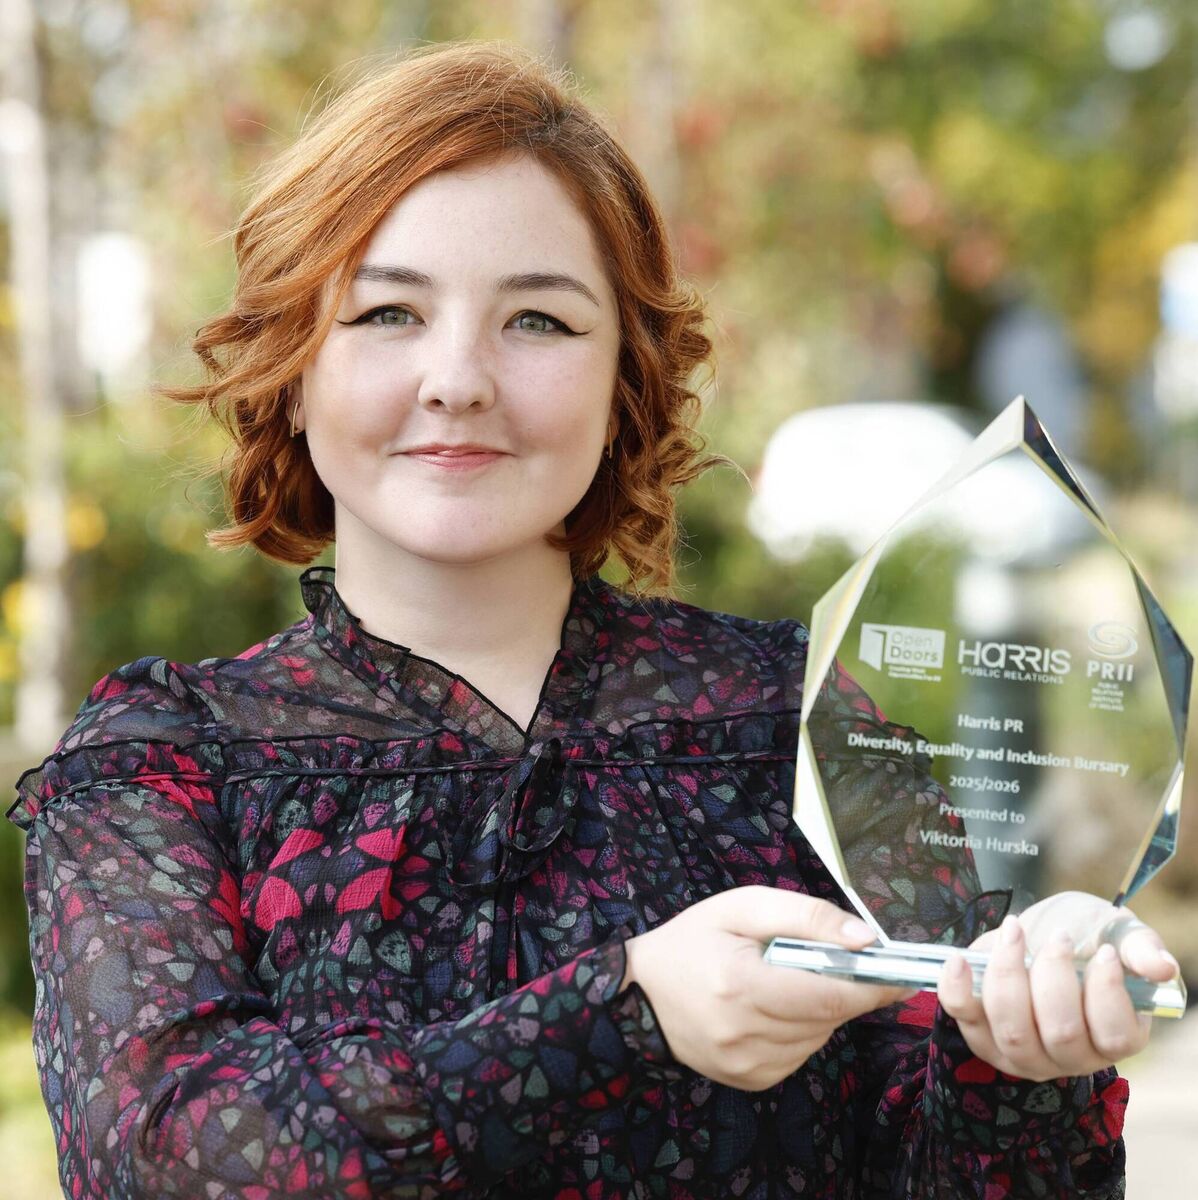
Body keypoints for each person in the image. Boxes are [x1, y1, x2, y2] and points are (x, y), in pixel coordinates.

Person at [7, 39, 1179, 1200]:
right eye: (387, 313)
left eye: (537, 321)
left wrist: (1024, 1051)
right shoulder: (164, 766)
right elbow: (163, 1158)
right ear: (293, 367)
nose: (458, 378)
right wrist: (623, 1012)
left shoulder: (799, 725)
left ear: (626, 378)